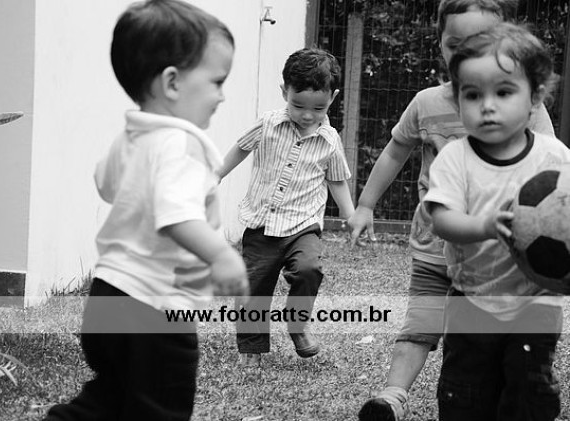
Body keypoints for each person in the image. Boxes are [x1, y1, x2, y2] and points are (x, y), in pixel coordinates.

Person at [352, 1, 556, 420]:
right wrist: (365, 204)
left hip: (503, 257)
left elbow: (553, 175)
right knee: (421, 325)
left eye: (481, 40)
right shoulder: (427, 103)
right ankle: (392, 396)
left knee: (505, 348)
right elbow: (395, 151)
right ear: (441, 44)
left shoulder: (528, 108)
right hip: (435, 244)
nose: (467, 51)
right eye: (455, 43)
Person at [44, 1, 248, 420]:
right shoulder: (180, 145)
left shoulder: (132, 137)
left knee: (109, 398)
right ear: (172, 82)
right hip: (154, 307)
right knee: (160, 408)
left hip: (107, 296)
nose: (222, 95)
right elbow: (175, 215)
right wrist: (222, 255)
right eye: (217, 81)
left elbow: (105, 184)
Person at [424, 22, 569, 420]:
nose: (487, 106)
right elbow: (442, 220)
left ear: (535, 97)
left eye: (503, 92)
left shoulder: (555, 157)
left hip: (536, 300)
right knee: (465, 393)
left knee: (528, 387)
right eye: (472, 94)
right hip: (472, 298)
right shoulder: (455, 159)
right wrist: (485, 226)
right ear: (457, 98)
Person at [218, 47, 354, 367]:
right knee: (253, 287)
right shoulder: (268, 124)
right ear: (284, 92)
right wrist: (217, 174)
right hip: (262, 223)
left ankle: (297, 324)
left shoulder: (329, 140)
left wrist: (351, 216)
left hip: (302, 225)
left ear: (332, 98)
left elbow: (336, 181)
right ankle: (251, 349)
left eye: (318, 108)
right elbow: (241, 148)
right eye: (298, 105)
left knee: (309, 269)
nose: (307, 115)